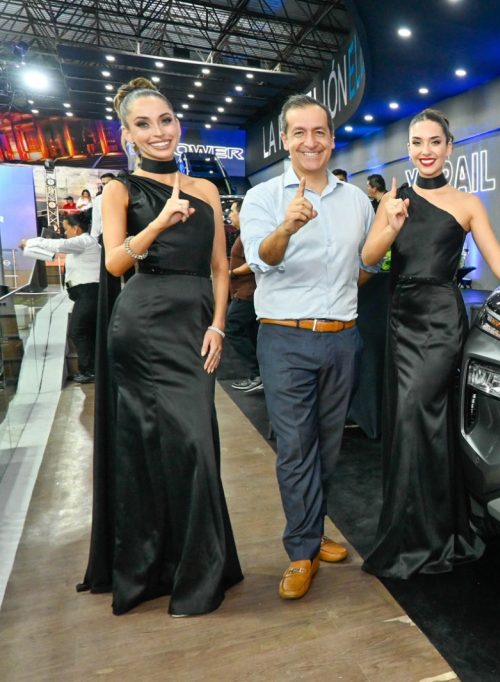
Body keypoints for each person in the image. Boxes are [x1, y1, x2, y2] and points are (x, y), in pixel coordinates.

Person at [360, 109, 500, 579]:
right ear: (409, 149)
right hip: (400, 318)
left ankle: (433, 533)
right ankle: (411, 533)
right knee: (406, 421)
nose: (425, 151)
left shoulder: (467, 203)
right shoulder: (394, 201)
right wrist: (391, 225)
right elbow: (369, 257)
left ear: (449, 147)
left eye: (434, 142)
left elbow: (498, 263)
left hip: (440, 319)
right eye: (417, 142)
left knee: (422, 415)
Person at [77, 77, 242, 616]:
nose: (158, 132)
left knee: (197, 445)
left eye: (165, 120)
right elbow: (115, 263)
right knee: (155, 449)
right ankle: (161, 568)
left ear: (179, 124)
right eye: (143, 125)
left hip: (195, 326)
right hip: (143, 327)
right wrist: (158, 226)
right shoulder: (120, 190)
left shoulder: (207, 190)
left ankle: (199, 565)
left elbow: (220, 268)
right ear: (127, 135)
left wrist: (218, 326)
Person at [240, 94, 377, 600]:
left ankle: (314, 532)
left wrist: (385, 238)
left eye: (319, 132)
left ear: (332, 139)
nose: (310, 141)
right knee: (296, 446)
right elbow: (262, 259)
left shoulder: (356, 201)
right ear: (285, 140)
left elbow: (364, 267)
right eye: (299, 132)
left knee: (329, 445)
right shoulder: (262, 199)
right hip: (284, 338)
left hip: (342, 339)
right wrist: (288, 226)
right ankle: (301, 551)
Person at [19, 212, 101, 383]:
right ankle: (92, 370)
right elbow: (52, 254)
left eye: (66, 229)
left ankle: (89, 371)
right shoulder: (82, 244)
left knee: (78, 330)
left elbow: (59, 245)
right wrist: (28, 250)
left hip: (89, 293)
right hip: (85, 294)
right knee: (85, 332)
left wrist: (30, 242)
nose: (65, 233)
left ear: (76, 229)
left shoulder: (84, 241)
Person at [225, 201, 261, 393]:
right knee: (251, 332)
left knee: (233, 327)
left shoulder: (249, 233)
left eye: (232, 211)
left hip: (248, 292)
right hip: (244, 291)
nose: (230, 215)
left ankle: (257, 373)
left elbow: (254, 261)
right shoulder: (243, 233)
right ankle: (260, 374)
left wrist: (232, 273)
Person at [90, 173, 117, 239]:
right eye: (104, 184)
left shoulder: (123, 196)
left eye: (108, 183)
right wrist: (94, 239)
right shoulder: (98, 199)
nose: (106, 186)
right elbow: (96, 221)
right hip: (105, 235)